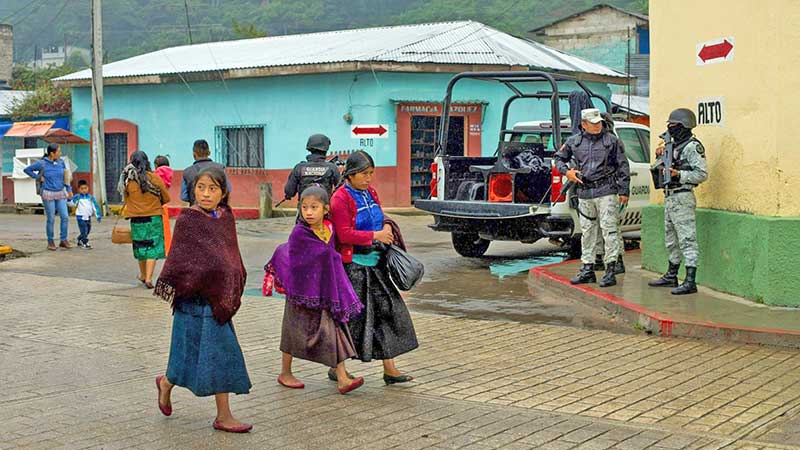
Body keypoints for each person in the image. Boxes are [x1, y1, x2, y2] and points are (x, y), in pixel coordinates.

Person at [154, 166, 252, 433]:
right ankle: (166, 383)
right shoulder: (188, 220)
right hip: (192, 301)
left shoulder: (226, 217)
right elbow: (181, 262)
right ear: (192, 190)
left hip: (217, 304)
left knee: (221, 354)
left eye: (213, 189)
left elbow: (230, 257)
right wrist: (205, 277)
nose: (206, 194)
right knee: (185, 355)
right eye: (201, 188)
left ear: (223, 192)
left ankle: (223, 415)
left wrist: (231, 278)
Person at [264, 185, 365, 394]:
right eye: (304, 207)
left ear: (326, 209)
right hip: (300, 290)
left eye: (314, 207)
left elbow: (328, 256)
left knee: (333, 330)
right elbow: (301, 260)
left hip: (324, 291)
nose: (309, 212)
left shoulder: (329, 228)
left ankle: (342, 377)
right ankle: (285, 372)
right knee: (291, 332)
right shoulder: (299, 233)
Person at [330, 150, 418, 384]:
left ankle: (390, 369)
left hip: (376, 266)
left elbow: (378, 217)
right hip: (354, 269)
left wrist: (386, 228)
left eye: (371, 173)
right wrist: (375, 234)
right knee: (350, 320)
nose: (368, 178)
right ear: (350, 175)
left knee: (387, 314)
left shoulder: (370, 193)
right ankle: (336, 367)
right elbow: (343, 234)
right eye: (364, 174)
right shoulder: (340, 198)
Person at [555, 108, 630, 288]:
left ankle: (610, 269)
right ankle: (587, 268)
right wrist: (568, 172)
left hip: (606, 191)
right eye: (593, 123)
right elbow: (558, 159)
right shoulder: (574, 142)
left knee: (609, 230)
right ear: (583, 124)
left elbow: (623, 167)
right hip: (584, 192)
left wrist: (624, 191)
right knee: (587, 231)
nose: (597, 126)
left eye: (599, 122)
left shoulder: (612, 141)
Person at [648, 108, 708, 295]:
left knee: (687, 239)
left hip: (682, 196)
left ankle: (690, 280)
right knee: (671, 238)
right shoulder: (672, 146)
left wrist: (679, 174)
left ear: (684, 126)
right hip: (670, 197)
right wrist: (660, 155)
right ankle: (671, 274)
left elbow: (702, 174)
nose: (670, 129)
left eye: (674, 126)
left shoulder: (692, 146)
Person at [119, 151, 170, 289]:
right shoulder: (154, 178)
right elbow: (166, 198)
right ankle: (148, 278)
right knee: (153, 247)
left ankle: (142, 275)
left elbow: (126, 198)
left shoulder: (128, 181)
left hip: (136, 220)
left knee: (140, 246)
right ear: (147, 162)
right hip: (154, 218)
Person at [23, 143, 74, 250]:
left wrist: (69, 190)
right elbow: (27, 170)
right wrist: (38, 177)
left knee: (65, 217)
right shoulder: (42, 163)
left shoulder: (61, 162)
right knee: (51, 218)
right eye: (59, 152)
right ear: (52, 153)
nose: (60, 154)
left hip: (60, 193)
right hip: (47, 193)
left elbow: (66, 177)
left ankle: (63, 240)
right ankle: (50, 242)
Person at [284, 134, 341, 200]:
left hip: (304, 208)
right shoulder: (332, 168)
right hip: (324, 208)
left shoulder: (299, 167)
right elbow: (341, 190)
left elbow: (289, 192)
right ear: (326, 149)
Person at [181, 139, 230, 205]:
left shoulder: (187, 172)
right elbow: (228, 189)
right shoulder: (220, 168)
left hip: (196, 210)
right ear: (209, 152)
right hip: (216, 208)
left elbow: (184, 197)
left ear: (194, 154)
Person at [69, 180, 102, 249]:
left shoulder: (90, 197)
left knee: (88, 230)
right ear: (79, 189)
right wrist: (69, 199)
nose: (84, 190)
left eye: (85, 188)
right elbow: (72, 204)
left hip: (88, 216)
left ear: (88, 188)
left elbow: (95, 206)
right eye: (82, 189)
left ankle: (80, 239)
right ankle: (85, 243)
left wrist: (98, 216)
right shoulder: (77, 197)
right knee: (83, 230)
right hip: (80, 217)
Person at [154, 155, 174, 254]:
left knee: (156, 228)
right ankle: (167, 248)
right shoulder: (169, 173)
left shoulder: (157, 174)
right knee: (166, 228)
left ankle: (159, 249)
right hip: (164, 204)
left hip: (156, 204)